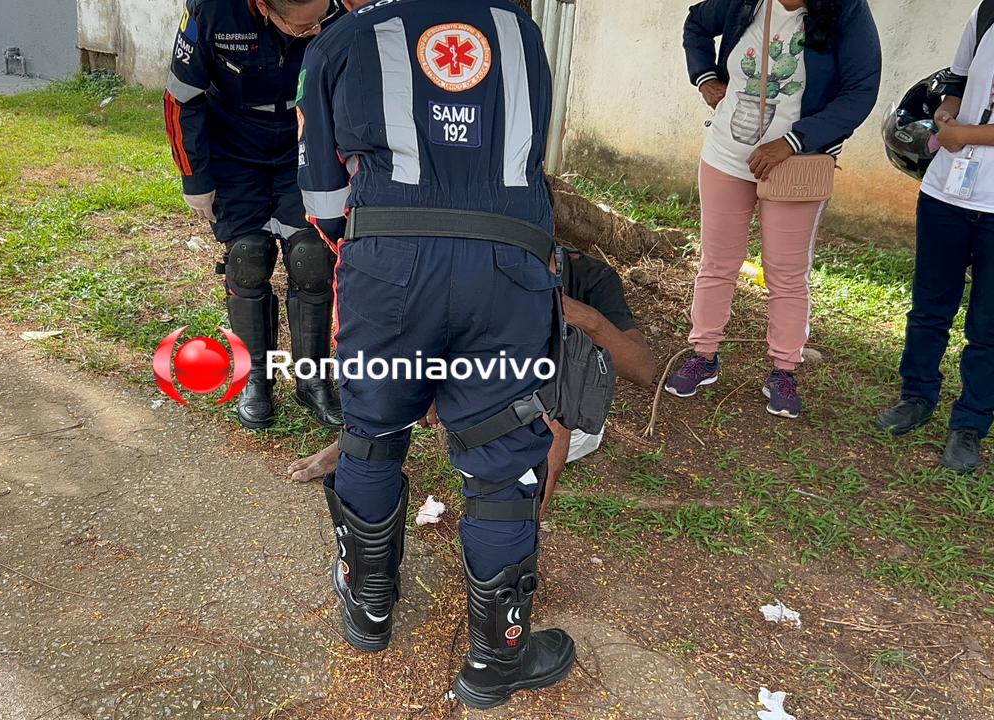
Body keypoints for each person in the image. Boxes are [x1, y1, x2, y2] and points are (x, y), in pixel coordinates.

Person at [298, 0, 575, 708]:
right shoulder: (522, 32)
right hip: (509, 268)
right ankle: (495, 660)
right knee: (501, 454)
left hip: (389, 265)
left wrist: (382, 255)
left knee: (372, 433)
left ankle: (368, 608)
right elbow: (522, 158)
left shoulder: (344, 38)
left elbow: (323, 200)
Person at [286, 250, 658, 517]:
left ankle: (517, 526)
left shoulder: (589, 275)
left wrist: (579, 317)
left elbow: (643, 369)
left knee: (548, 404)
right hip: (481, 390)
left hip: (565, 408)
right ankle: (359, 445)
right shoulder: (478, 257)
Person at [672, 0, 881, 418]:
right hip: (726, 156)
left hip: (797, 164)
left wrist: (793, 141)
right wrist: (705, 78)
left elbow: (860, 91)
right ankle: (703, 355)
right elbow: (696, 23)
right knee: (717, 261)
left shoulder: (845, 9)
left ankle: (784, 370)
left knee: (786, 272)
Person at [163, 0, 345, 430]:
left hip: (304, 140)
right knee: (247, 258)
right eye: (303, 27)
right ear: (264, 6)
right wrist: (194, 177)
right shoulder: (211, 10)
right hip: (233, 145)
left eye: (320, 20)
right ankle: (255, 378)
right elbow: (181, 97)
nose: (315, 29)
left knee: (312, 258)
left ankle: (313, 379)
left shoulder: (336, 9)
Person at [877, 3, 994, 474]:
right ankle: (916, 396)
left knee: (988, 326)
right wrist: (947, 110)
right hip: (946, 192)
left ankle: (970, 424)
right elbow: (957, 80)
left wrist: (966, 133)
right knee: (929, 307)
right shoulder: (986, 13)